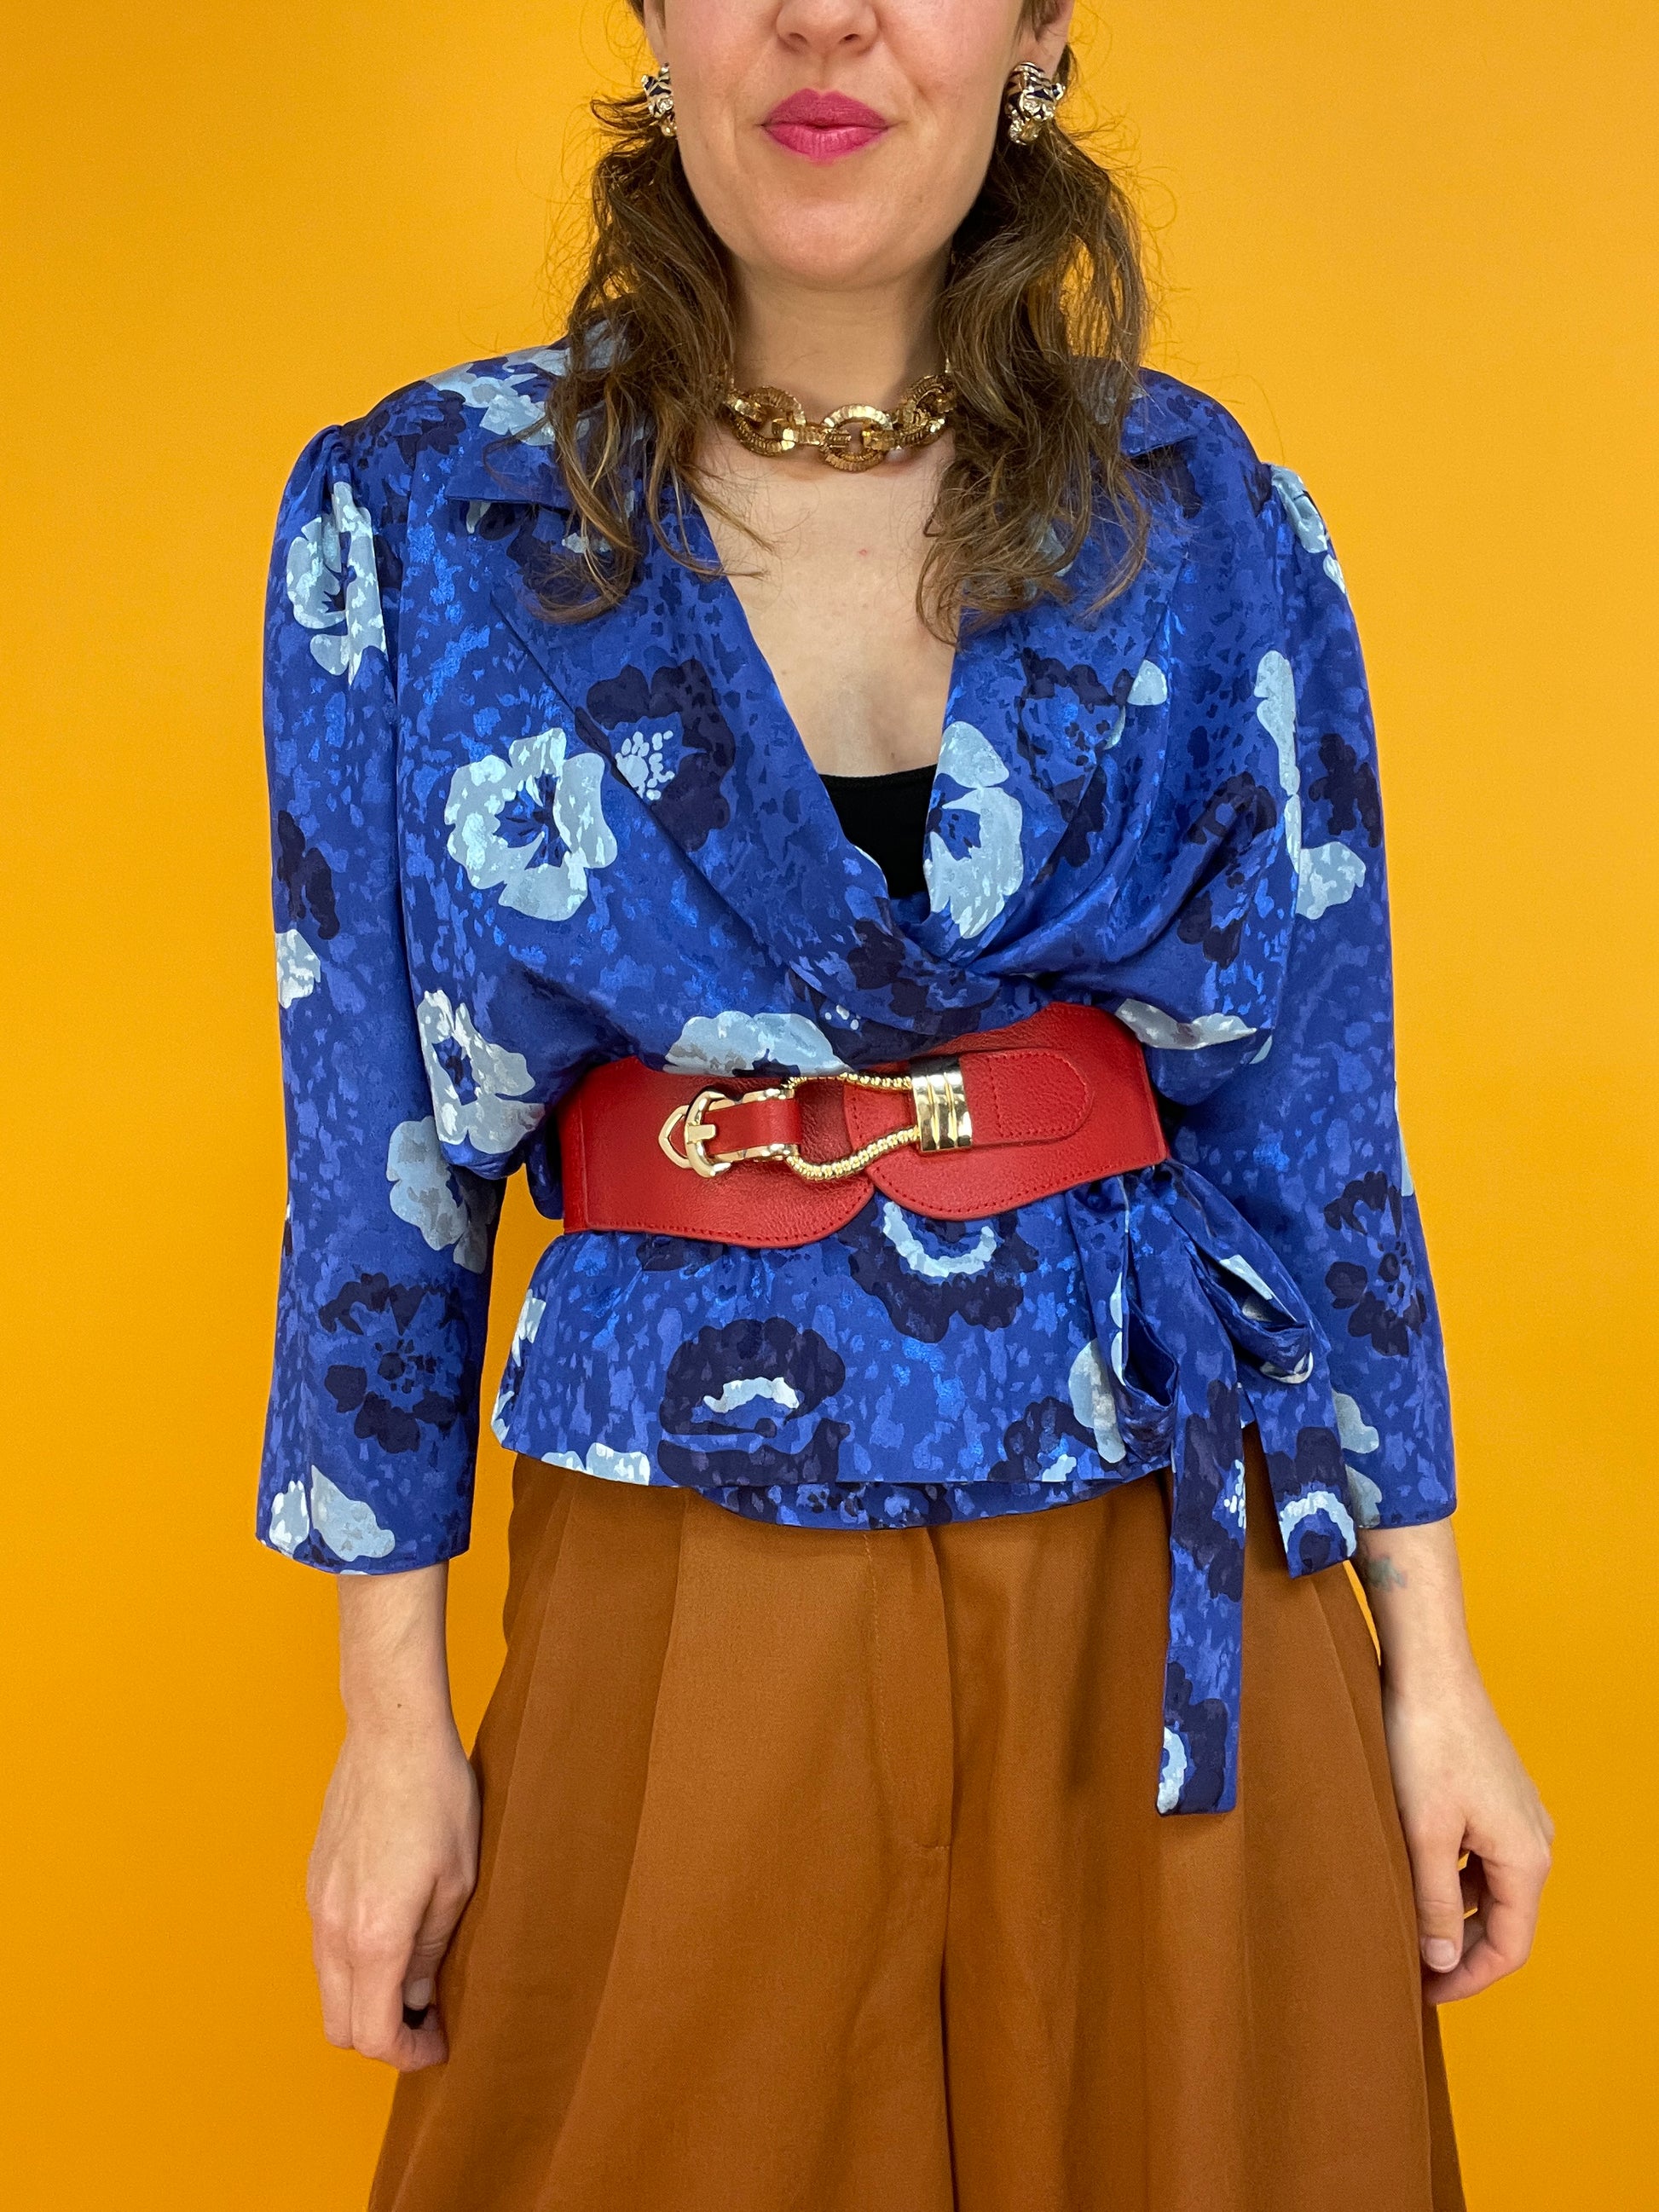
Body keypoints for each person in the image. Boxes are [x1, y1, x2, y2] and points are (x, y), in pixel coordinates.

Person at [258, 4, 1552, 2207]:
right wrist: (391, 1727)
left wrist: (1432, 1667)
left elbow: (1313, 1123)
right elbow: (376, 1158)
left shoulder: (1204, 513)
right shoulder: (424, 512)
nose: (827, 17)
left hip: (1165, 1540)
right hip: (680, 1528)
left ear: (1038, 31)